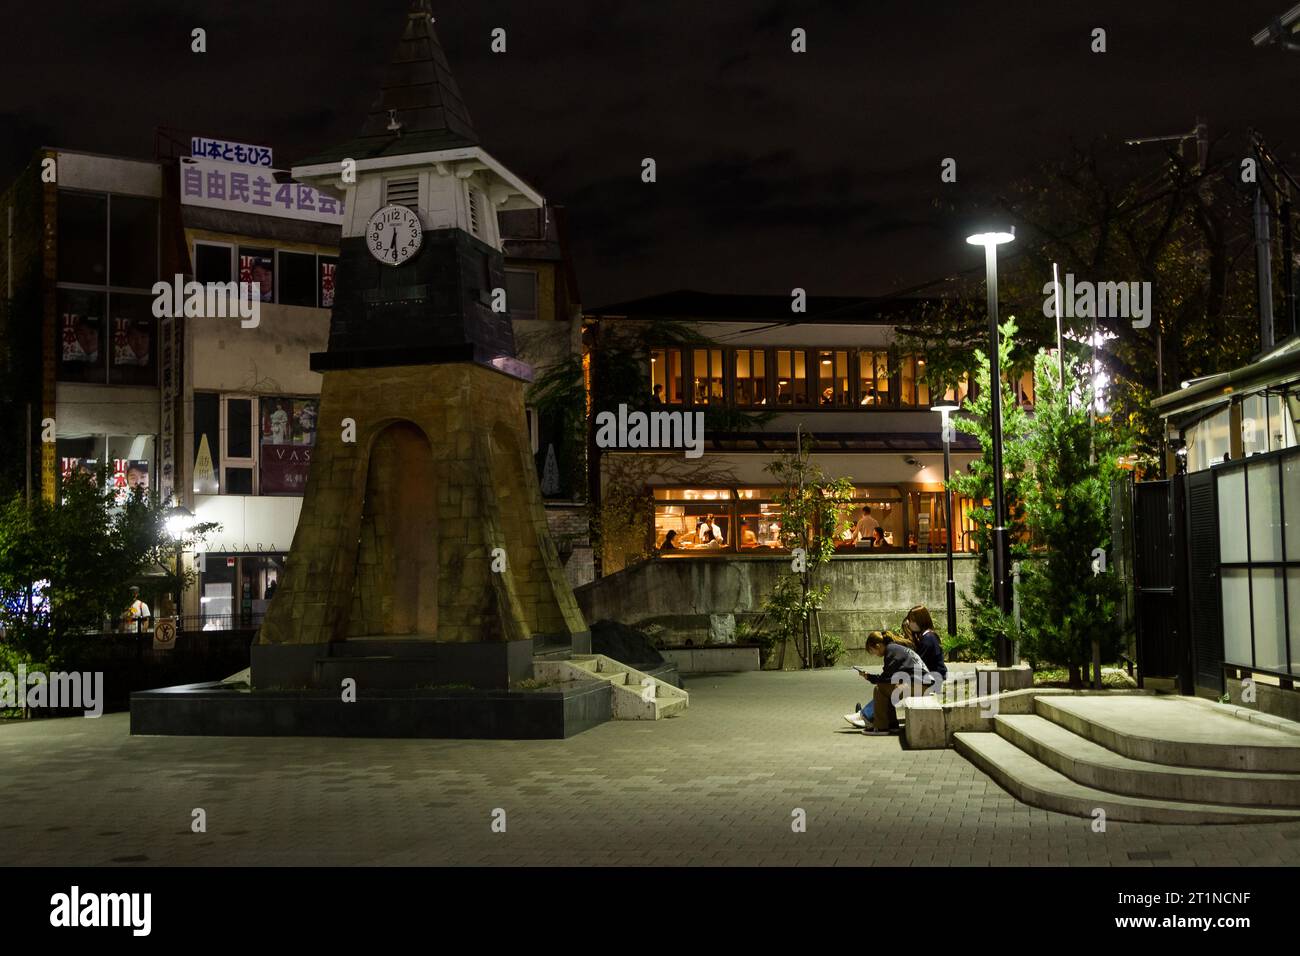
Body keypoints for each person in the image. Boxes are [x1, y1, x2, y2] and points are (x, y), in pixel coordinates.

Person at [845, 630, 931, 733]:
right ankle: (892, 725)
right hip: (922, 684)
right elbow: (889, 678)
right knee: (887, 688)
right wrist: (869, 677)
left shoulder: (891, 651)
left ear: (878, 645)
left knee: (880, 688)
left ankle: (881, 727)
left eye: (873, 651)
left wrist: (870, 677)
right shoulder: (895, 648)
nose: (875, 654)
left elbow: (885, 679)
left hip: (921, 686)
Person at [904, 605, 948, 687]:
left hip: (934, 679)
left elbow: (917, 663)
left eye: (912, 621)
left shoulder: (928, 639)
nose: (909, 624)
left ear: (920, 621)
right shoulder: (929, 635)